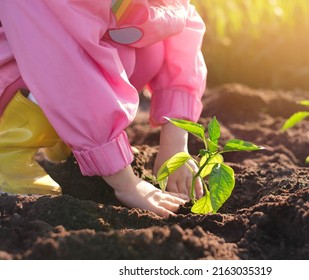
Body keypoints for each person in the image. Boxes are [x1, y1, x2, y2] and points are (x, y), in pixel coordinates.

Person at [0, 0, 207, 218]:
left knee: (148, 42)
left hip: (66, 65)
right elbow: (64, 64)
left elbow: (180, 28)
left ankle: (74, 142)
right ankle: (8, 150)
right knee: (90, 55)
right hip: (24, 63)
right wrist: (127, 183)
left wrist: (174, 144)